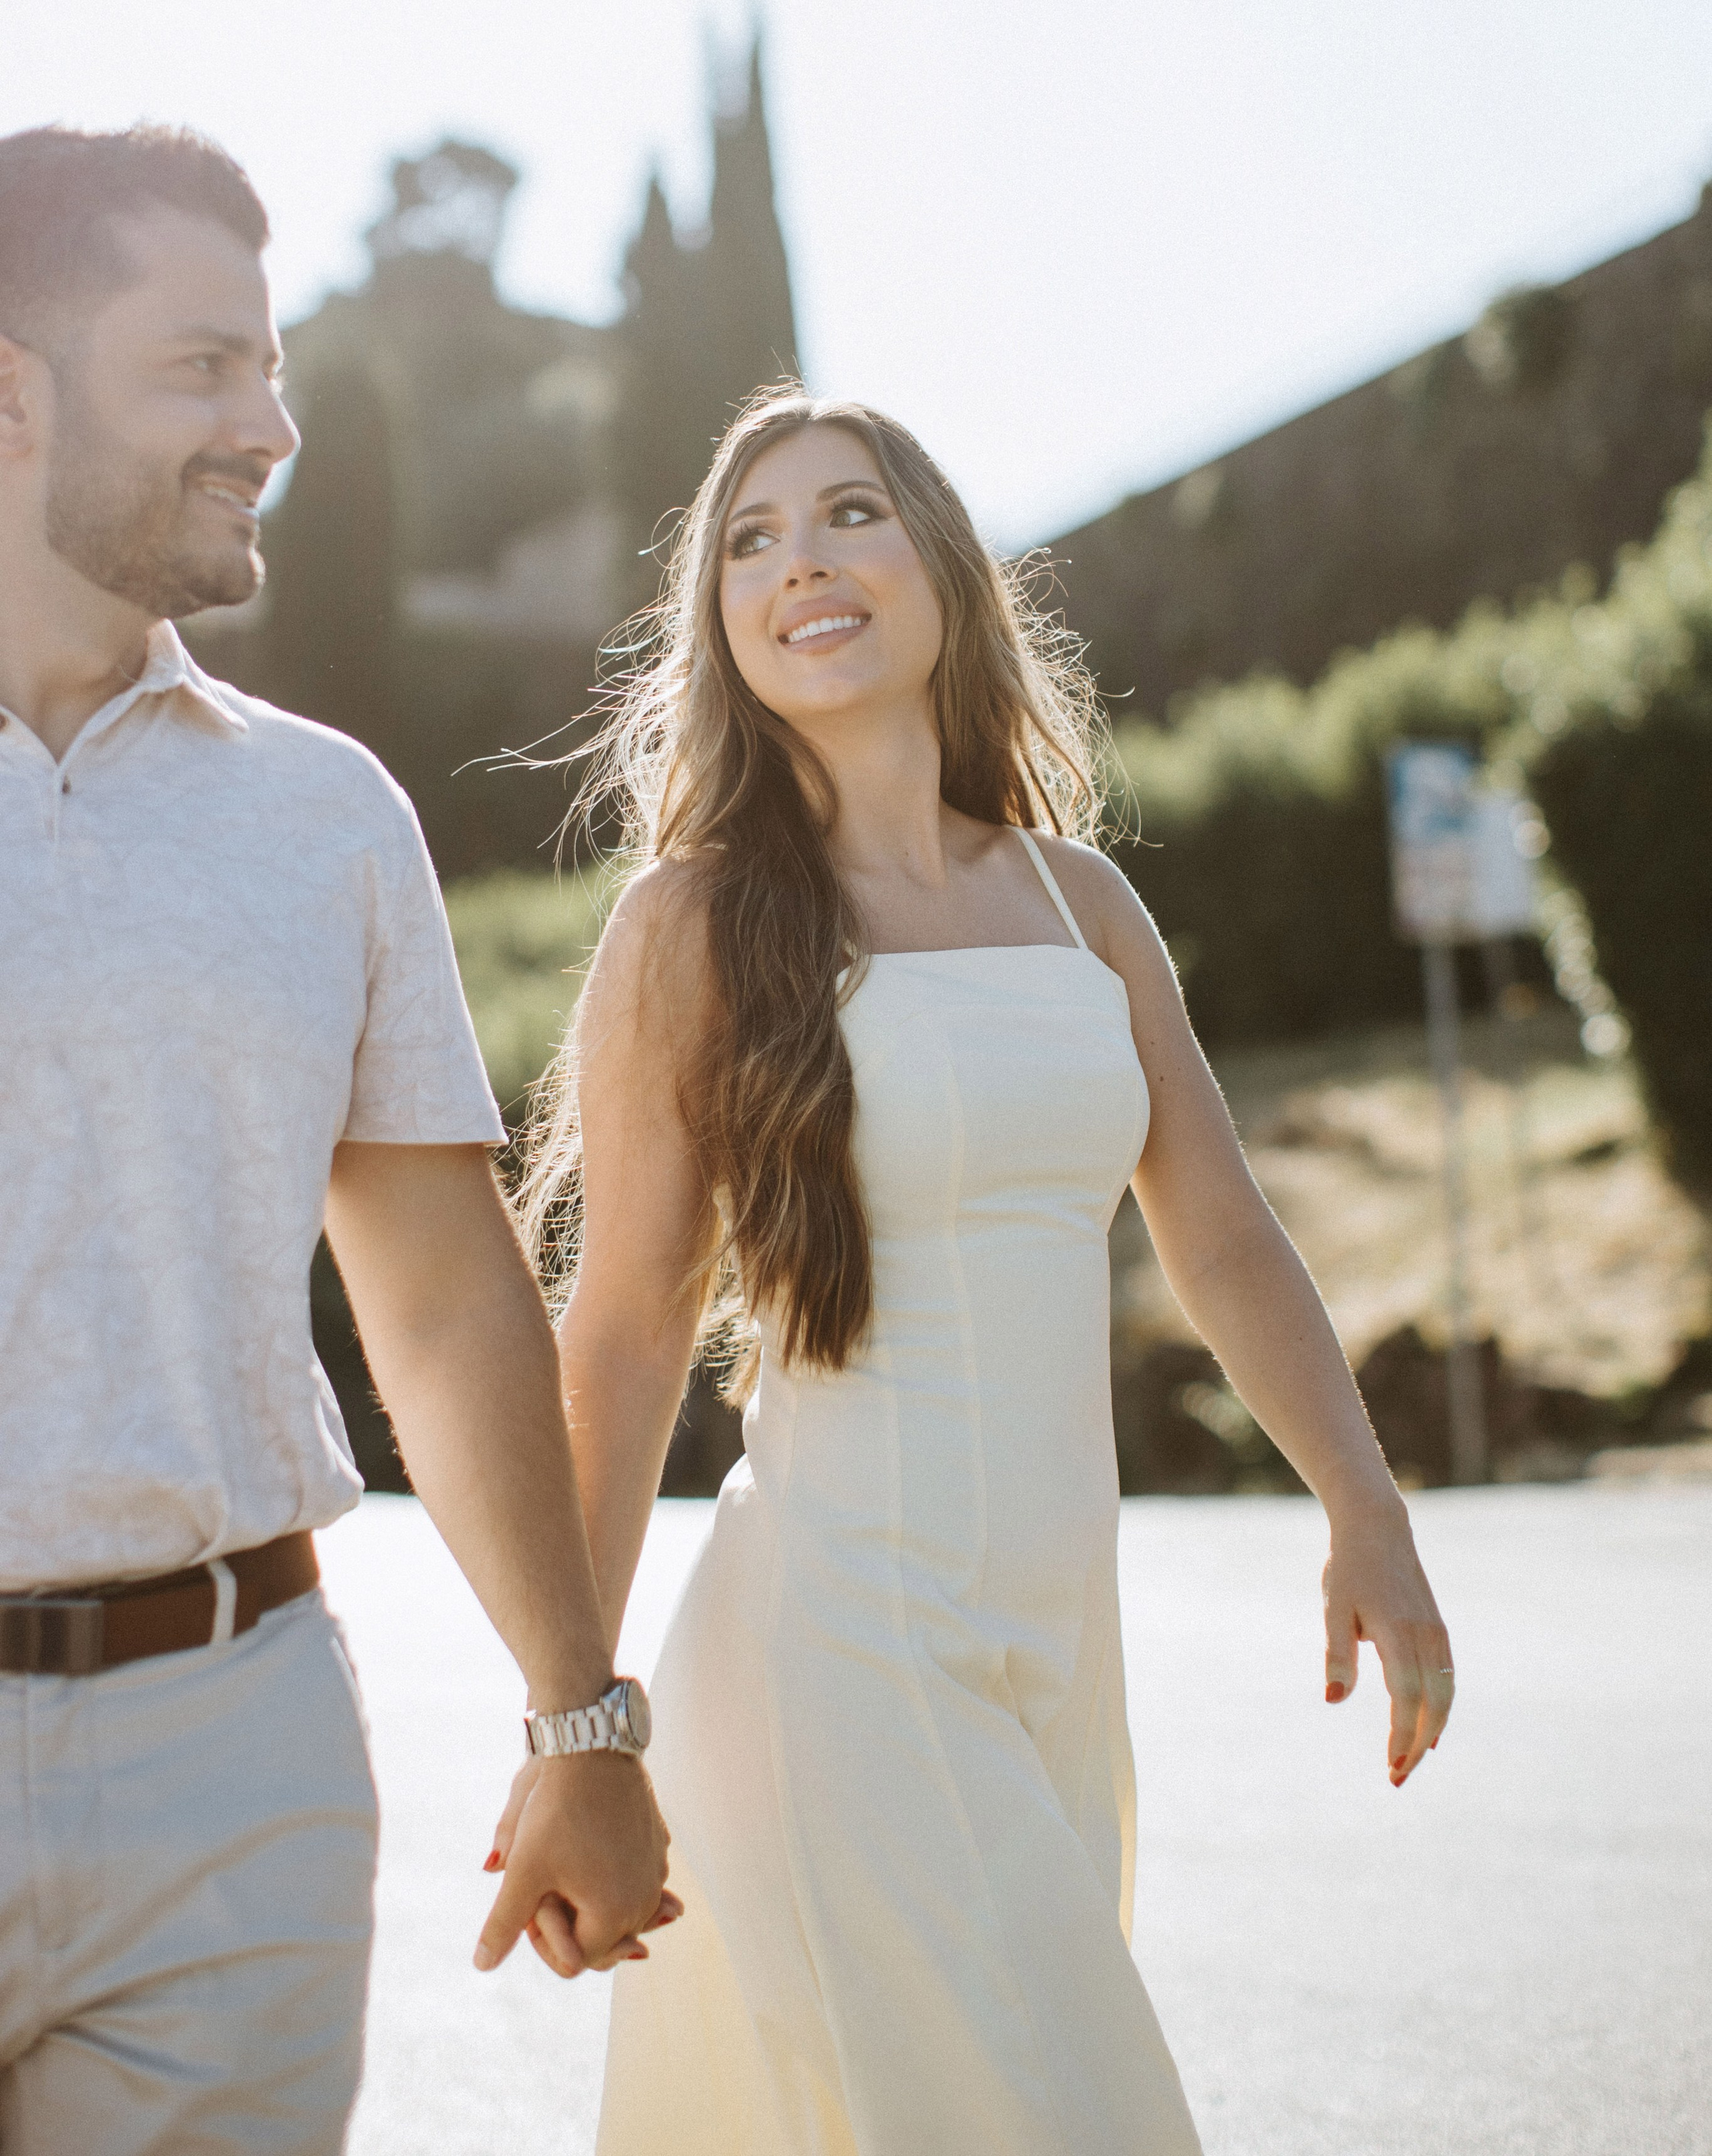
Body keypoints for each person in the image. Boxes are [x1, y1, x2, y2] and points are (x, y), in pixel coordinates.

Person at [498, 387, 1459, 2155]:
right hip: (836, 1642)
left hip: (1052, 1651)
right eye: (750, 540)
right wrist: (574, 1715)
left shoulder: (1077, 901)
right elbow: (624, 1342)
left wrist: (1366, 1505)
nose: (803, 562)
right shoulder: (690, 928)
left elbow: (1224, 1229)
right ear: (719, 625)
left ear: (944, 565)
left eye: (848, 513)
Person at [0, 124, 675, 2156]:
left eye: (273, 369)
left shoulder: (327, 818)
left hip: (238, 1748)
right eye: (204, 367)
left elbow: (448, 1299)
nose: (271, 424)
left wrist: (582, 1710)